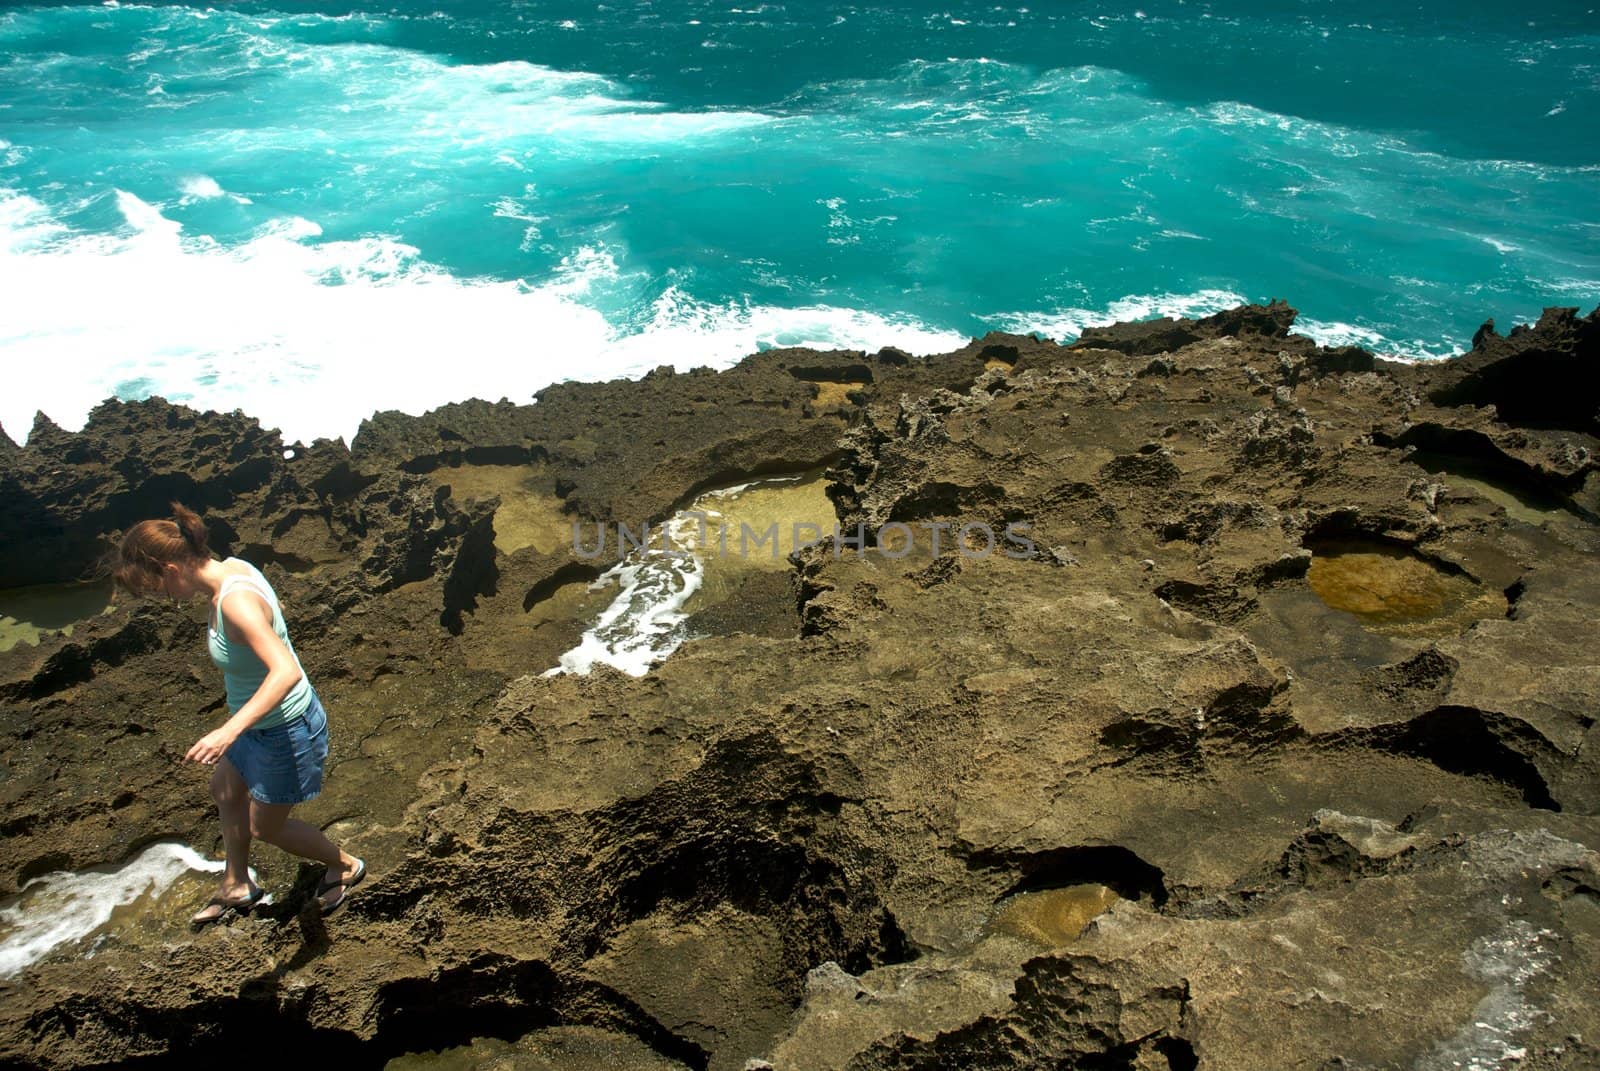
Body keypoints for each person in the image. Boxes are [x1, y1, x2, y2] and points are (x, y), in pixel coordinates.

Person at [110, 502, 364, 926]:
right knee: (226, 791)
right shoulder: (232, 567)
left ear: (169, 568)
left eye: (154, 586)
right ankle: (235, 883)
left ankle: (345, 864)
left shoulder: (236, 603)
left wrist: (227, 731)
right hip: (257, 723)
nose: (159, 596)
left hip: (284, 729)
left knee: (268, 828)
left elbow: (286, 672)